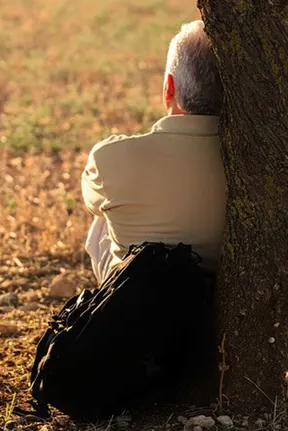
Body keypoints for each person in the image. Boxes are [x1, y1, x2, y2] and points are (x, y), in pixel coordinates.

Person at [82, 20, 227, 283]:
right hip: (214, 297)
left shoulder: (110, 157)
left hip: (135, 301)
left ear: (169, 87)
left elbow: (91, 204)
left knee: (104, 214)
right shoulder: (252, 162)